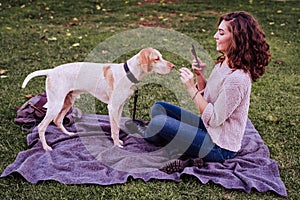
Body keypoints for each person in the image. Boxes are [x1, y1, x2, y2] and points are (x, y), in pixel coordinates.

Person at [137, 11, 271, 173]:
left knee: (159, 123)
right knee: (159, 108)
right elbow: (208, 97)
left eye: (221, 33)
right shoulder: (225, 61)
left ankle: (162, 140)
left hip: (219, 146)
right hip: (208, 129)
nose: (215, 36)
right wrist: (200, 76)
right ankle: (177, 145)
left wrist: (191, 88)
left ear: (237, 38)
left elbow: (214, 119)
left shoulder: (238, 79)